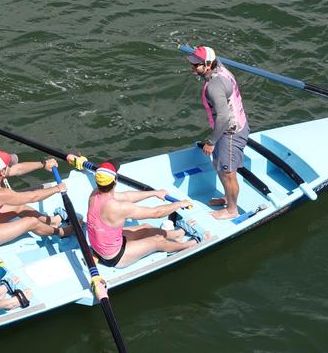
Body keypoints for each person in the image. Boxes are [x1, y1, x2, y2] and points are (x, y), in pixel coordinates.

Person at [85, 161, 203, 268]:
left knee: (146, 227)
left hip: (100, 245)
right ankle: (191, 244)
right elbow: (157, 213)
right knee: (158, 241)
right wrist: (179, 204)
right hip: (114, 257)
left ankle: (176, 235)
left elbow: (127, 196)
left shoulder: (95, 194)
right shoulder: (119, 208)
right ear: (115, 181)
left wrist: (155, 193)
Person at [0, 149, 75, 250]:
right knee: (31, 222)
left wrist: (43, 164)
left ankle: (52, 221)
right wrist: (57, 188)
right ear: (1, 171)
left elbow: (17, 169)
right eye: (8, 165)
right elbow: (33, 197)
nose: (11, 166)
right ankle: (63, 232)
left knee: (19, 208)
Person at [186, 46, 250, 220]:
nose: (193, 68)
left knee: (228, 173)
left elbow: (223, 118)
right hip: (237, 125)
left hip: (229, 133)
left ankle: (231, 209)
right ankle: (227, 197)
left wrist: (211, 141)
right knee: (220, 166)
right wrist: (199, 50)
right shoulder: (220, 67)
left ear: (208, 65)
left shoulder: (214, 86)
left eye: (196, 65)